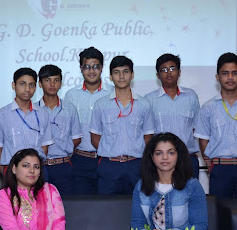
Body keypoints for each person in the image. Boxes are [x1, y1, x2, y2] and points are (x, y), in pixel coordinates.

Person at [194, 52, 237, 209]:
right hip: (220, 169)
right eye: (225, 73)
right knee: (220, 214)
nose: (230, 78)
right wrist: (211, 165)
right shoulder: (208, 107)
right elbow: (203, 140)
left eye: (234, 73)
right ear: (218, 77)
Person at [90, 56, 155, 194]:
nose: (121, 76)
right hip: (109, 166)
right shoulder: (100, 104)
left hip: (136, 165)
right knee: (107, 206)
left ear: (132, 75)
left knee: (137, 204)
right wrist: (110, 151)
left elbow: (148, 136)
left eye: (125, 71)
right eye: (116, 72)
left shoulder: (144, 104)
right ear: (110, 77)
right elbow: (95, 137)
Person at [63, 47, 112, 194]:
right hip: (80, 160)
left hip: (106, 159)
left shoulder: (112, 93)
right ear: (81, 68)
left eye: (95, 66)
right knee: (82, 204)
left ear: (102, 68)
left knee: (108, 203)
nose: (91, 71)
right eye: (87, 67)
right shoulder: (71, 95)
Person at [145, 54, 201, 178]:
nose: (169, 73)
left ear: (179, 72)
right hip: (161, 162)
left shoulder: (191, 96)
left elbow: (197, 129)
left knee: (190, 191)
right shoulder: (149, 100)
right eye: (164, 70)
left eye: (172, 68)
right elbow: (148, 135)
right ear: (158, 75)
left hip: (187, 159)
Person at [0, 68, 54, 175]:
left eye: (31, 85)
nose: (27, 89)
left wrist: (37, 169)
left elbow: (44, 147)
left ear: (35, 87)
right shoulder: (1, 115)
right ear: (13, 85)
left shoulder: (43, 114)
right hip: (12, 171)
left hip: (37, 172)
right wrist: (6, 175)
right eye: (22, 84)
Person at [37, 64, 83, 195]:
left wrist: (63, 147)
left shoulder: (70, 109)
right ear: (40, 84)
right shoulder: (34, 110)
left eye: (56, 80)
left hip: (63, 166)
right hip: (40, 166)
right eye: (47, 80)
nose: (52, 84)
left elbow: (77, 138)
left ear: (61, 84)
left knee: (66, 204)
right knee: (40, 203)